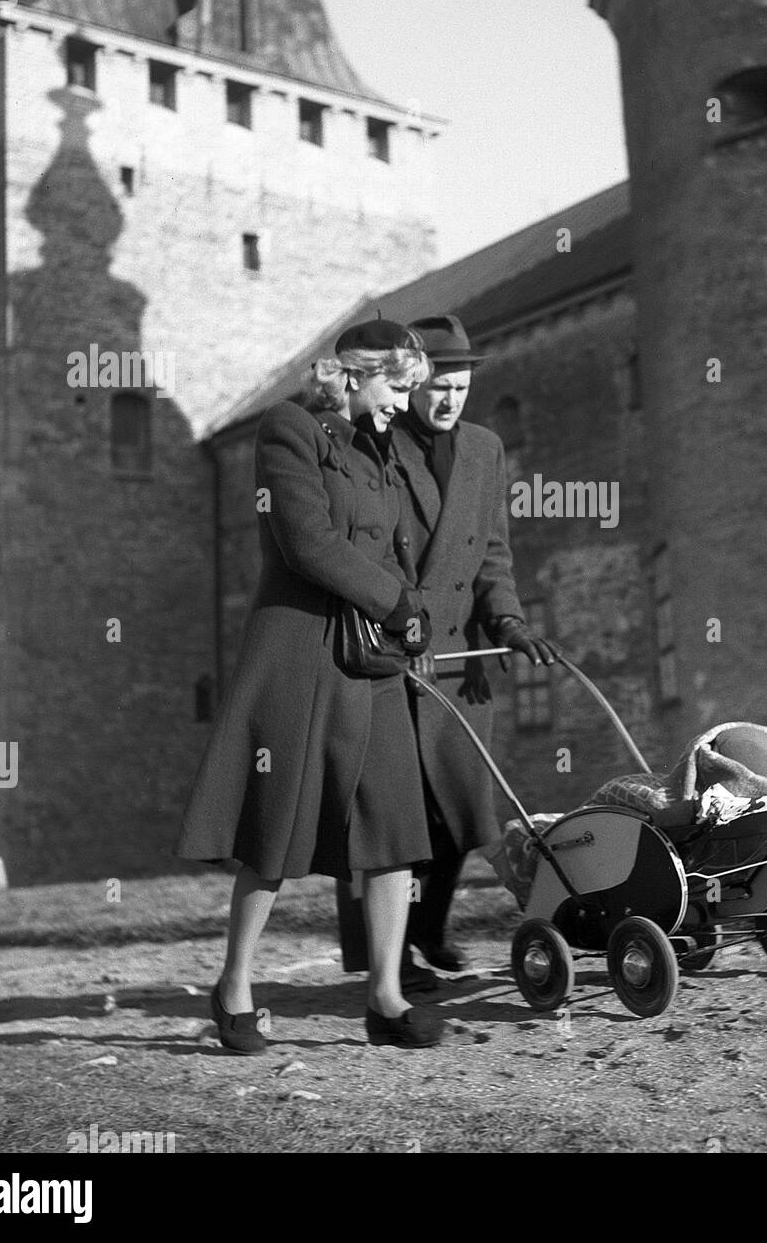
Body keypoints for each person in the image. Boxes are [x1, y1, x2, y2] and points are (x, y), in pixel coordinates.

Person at [175, 318, 446, 1051]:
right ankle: (234, 983)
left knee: (393, 824)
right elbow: (305, 541)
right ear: (358, 372)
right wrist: (393, 602)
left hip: (371, 655)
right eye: (397, 386)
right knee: (277, 827)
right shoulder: (289, 429)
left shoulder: (378, 451)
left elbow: (395, 550)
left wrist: (413, 614)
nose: (402, 404)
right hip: (299, 648)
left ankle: (385, 997)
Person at [334, 313, 557, 983]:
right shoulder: (374, 443)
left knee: (462, 808)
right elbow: (362, 550)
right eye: (438, 387)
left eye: (460, 387)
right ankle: (387, 955)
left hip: (461, 658)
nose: (449, 400)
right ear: (412, 381)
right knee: (395, 815)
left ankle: (428, 931)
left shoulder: (486, 450)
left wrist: (510, 623)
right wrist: (401, 625)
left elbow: (492, 553)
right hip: (393, 653)